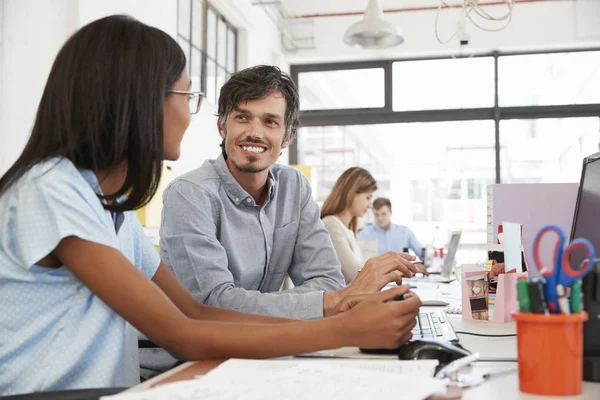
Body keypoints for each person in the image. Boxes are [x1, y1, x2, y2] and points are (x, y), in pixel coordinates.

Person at [0, 16, 422, 396]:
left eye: (270, 121)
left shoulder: (112, 208)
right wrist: (341, 328)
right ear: (141, 101)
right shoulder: (51, 190)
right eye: (186, 95)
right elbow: (183, 334)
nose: (189, 110)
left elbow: (197, 312)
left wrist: (340, 319)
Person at [158, 64, 420, 321]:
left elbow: (328, 280)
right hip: (191, 358)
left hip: (262, 348)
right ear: (222, 127)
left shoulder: (294, 187)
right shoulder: (189, 195)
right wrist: (328, 302)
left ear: (287, 138)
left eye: (270, 122)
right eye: (242, 117)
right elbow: (213, 305)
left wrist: (326, 300)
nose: (254, 133)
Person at [320, 167, 377, 284]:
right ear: (352, 193)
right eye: (368, 197)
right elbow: (356, 275)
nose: (370, 205)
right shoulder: (331, 225)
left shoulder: (349, 229)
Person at [359, 198, 424, 257]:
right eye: (376, 214)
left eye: (383, 214)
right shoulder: (363, 234)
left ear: (390, 213)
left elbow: (422, 253)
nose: (380, 218)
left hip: (401, 270)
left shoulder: (405, 232)